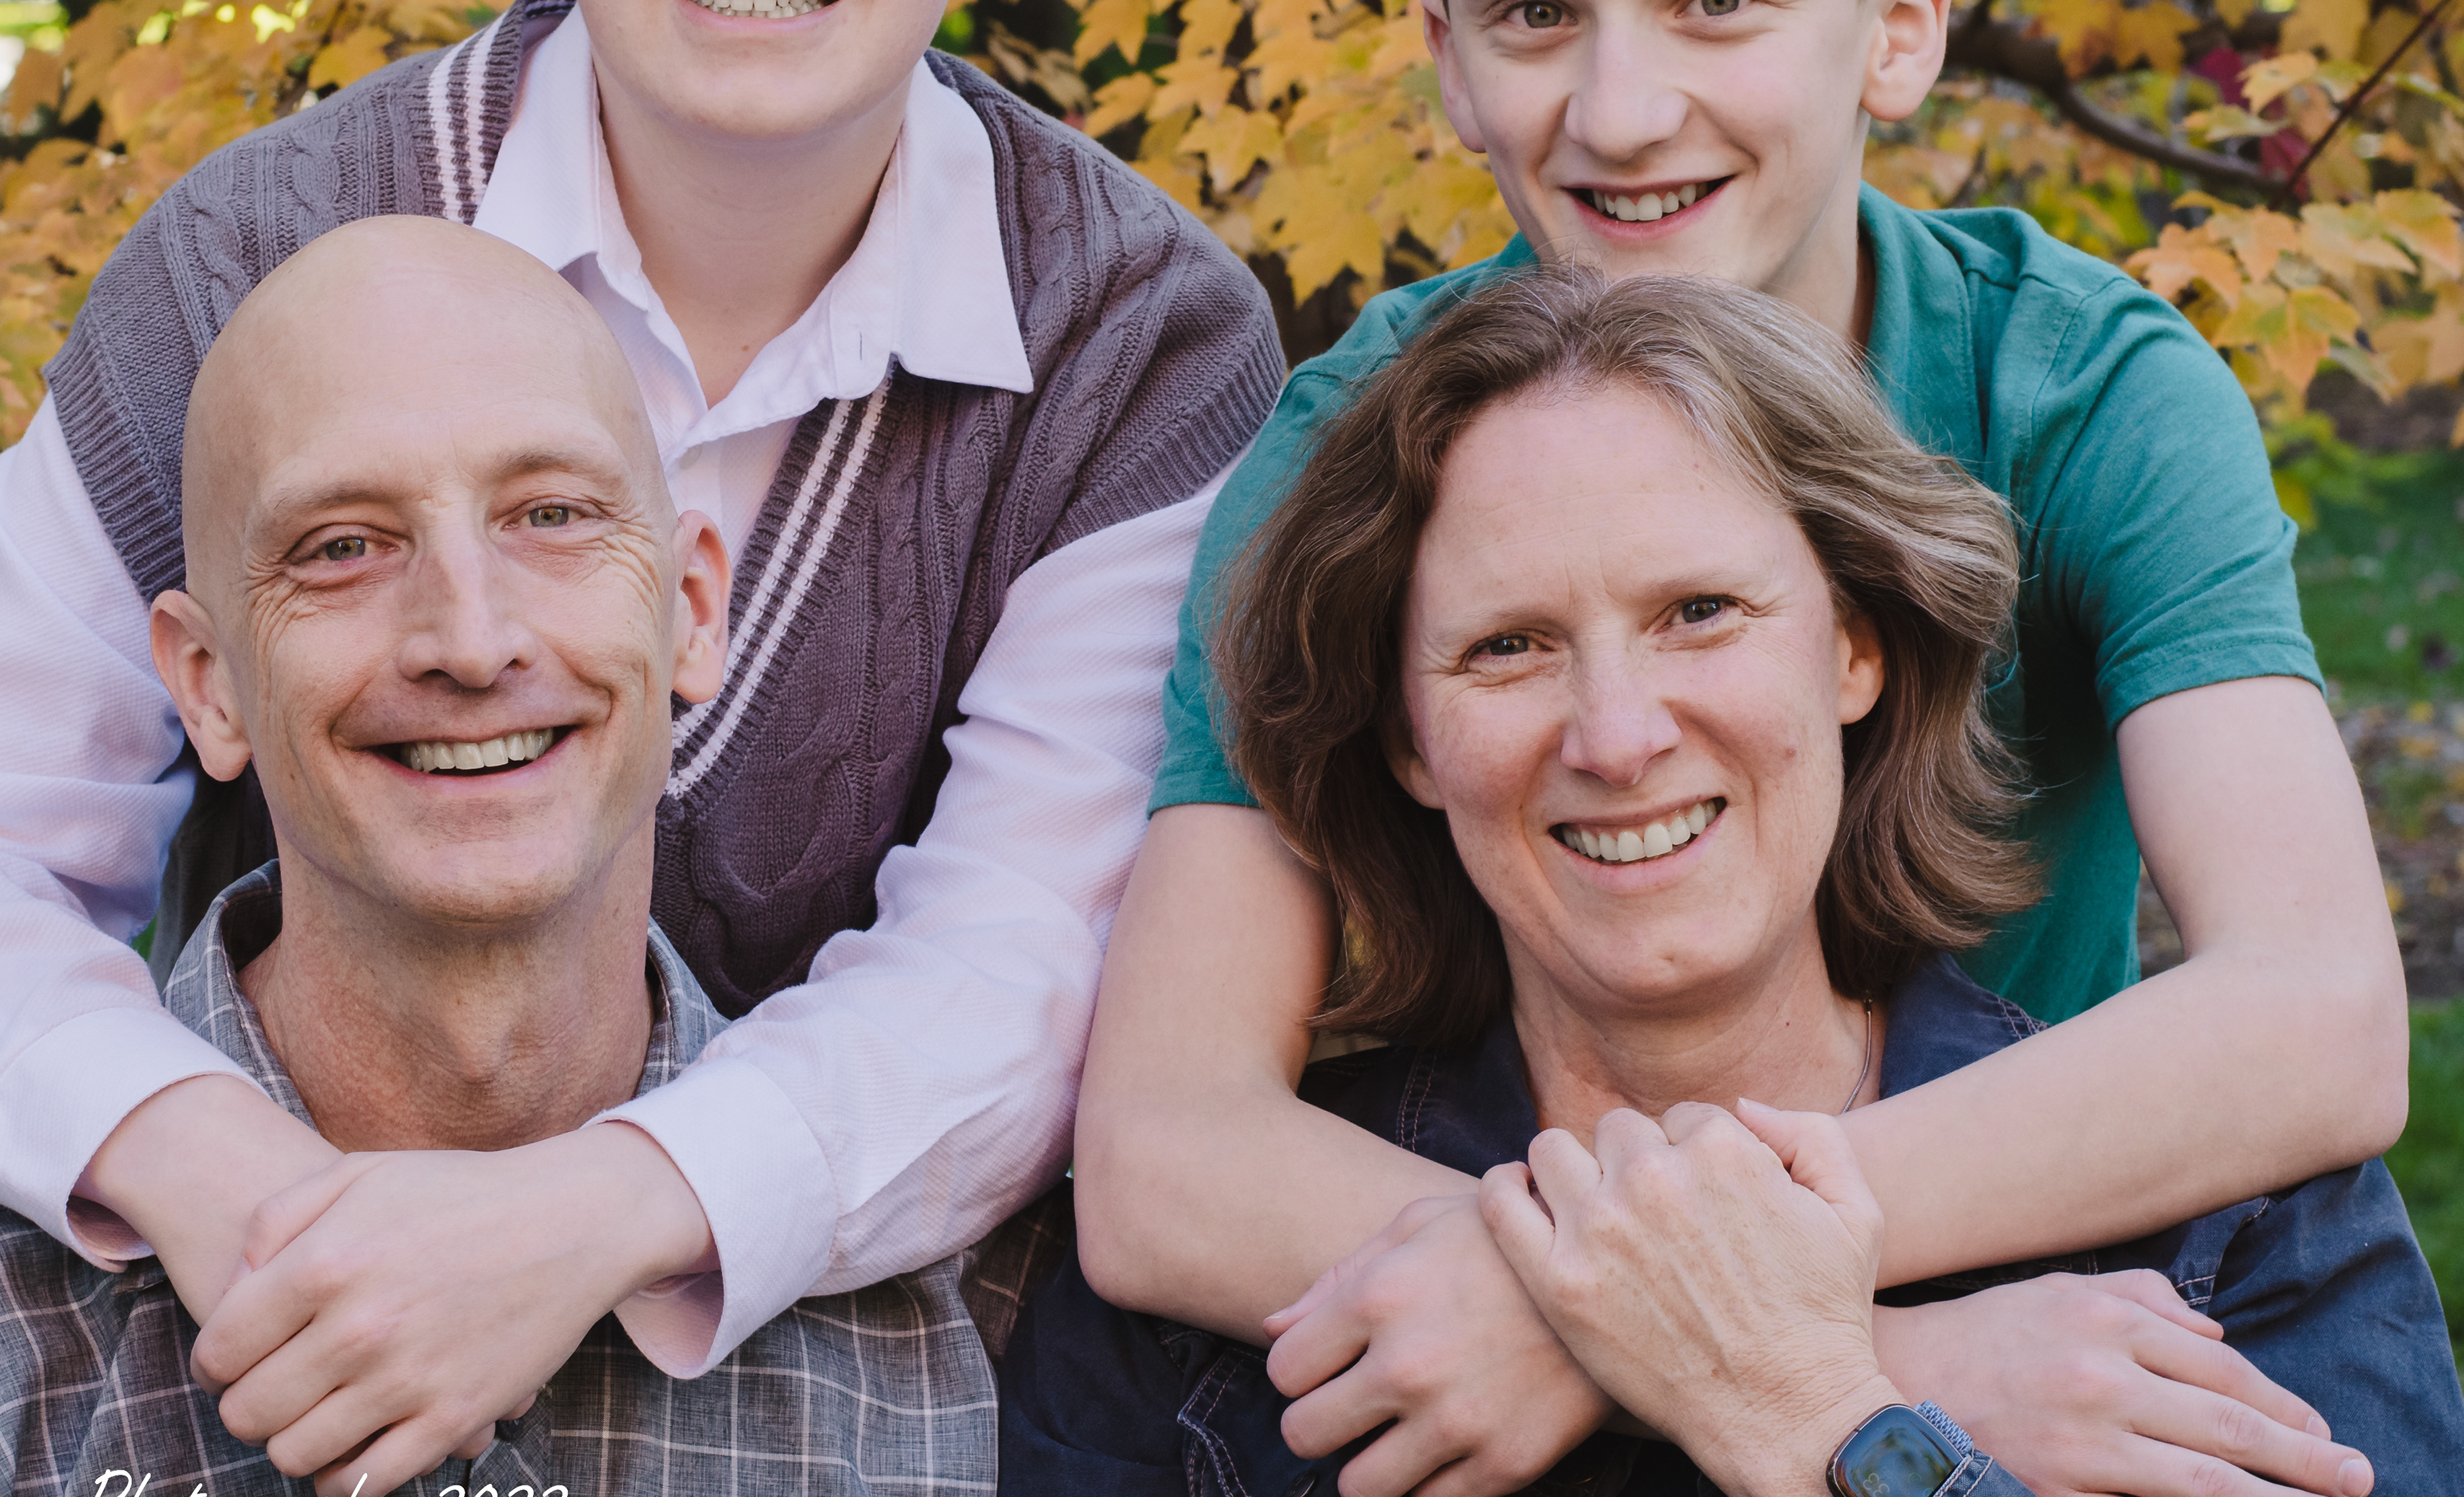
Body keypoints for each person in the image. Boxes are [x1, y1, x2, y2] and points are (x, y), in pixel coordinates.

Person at [0, 0, 1282, 1497]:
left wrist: (575, 1227)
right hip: (268, 1335)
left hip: (867, 1374)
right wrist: (264, 1209)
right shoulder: (250, 266)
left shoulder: (1136, 339)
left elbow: (1030, 971)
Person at [1072, 0, 2409, 1497]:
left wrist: (1740, 1304)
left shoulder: (2078, 390)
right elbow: (1163, 1149)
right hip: (1504, 1219)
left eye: (1717, 1)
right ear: (1448, 63)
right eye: (1536, 15)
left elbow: (2318, 1010)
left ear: (1899, 28)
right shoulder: (1365, 445)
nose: (1622, 110)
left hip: (2022, 1226)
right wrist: (1830, 1359)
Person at [1008, 268, 2460, 1497]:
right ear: (1408, 741)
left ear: (1854, 650)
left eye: (1699, 612)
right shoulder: (1218, 1326)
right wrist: (1824, 1359)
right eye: (1507, 647)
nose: (1616, 735)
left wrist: (1821, 1412)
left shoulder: (2234, 1236)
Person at [0, 219, 1048, 1497]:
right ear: (209, 686)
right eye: (343, 547)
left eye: (551, 515)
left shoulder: (978, 1330)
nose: (469, 641)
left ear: (692, 610)